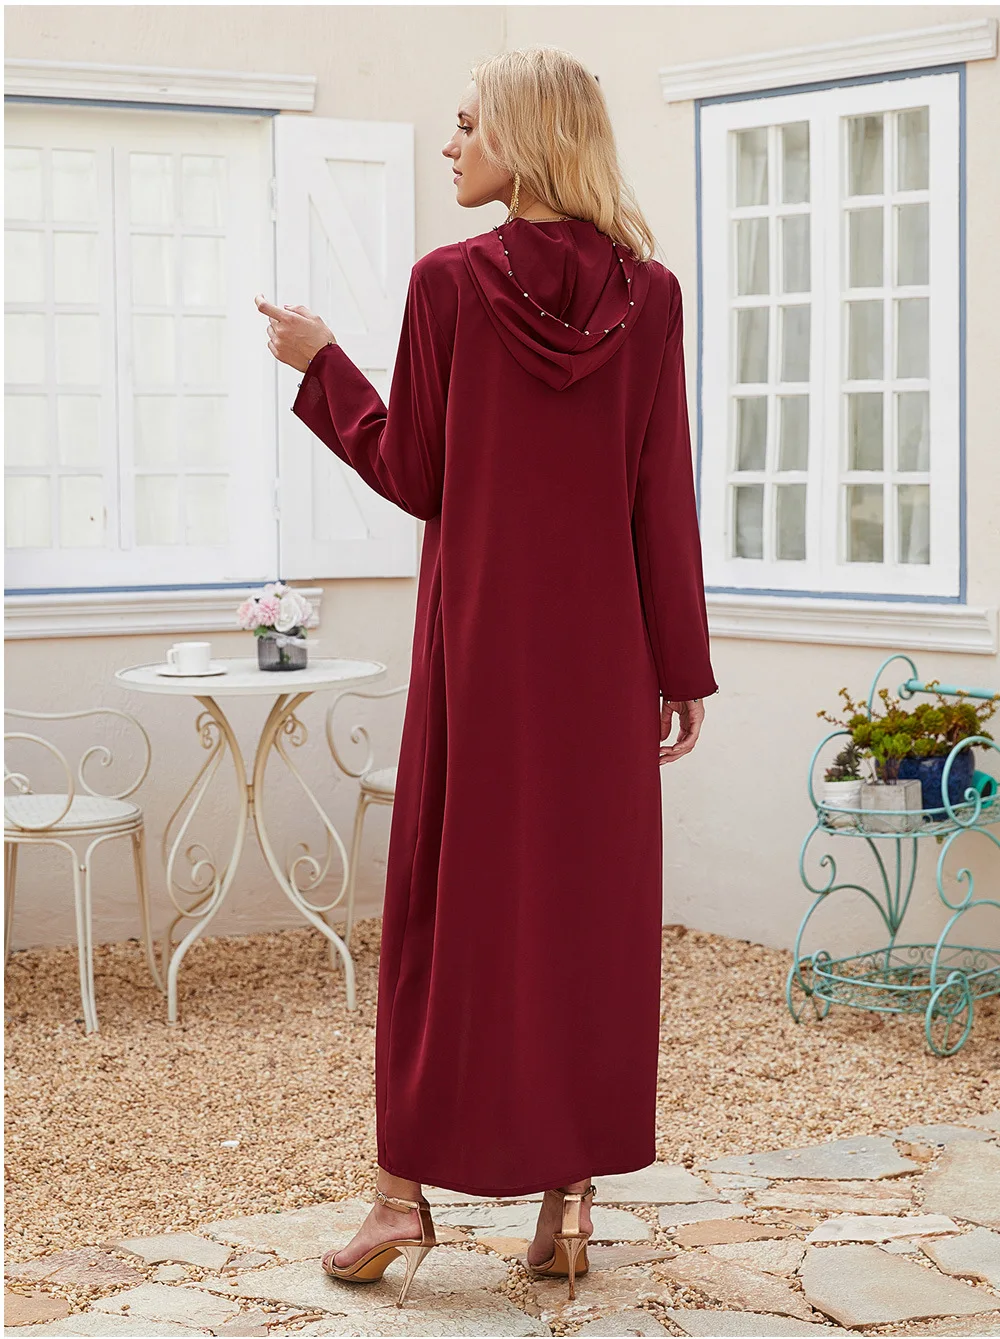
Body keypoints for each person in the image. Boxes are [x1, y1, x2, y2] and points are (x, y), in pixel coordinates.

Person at [256, 44, 718, 1308]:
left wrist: (322, 363)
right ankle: (569, 1207)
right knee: (585, 918)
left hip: (481, 654)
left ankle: (398, 1197)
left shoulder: (449, 285)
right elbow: (658, 488)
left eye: (468, 123)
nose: (451, 143)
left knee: (440, 914)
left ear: (525, 134)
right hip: (602, 660)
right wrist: (678, 663)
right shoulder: (650, 295)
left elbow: (413, 471)